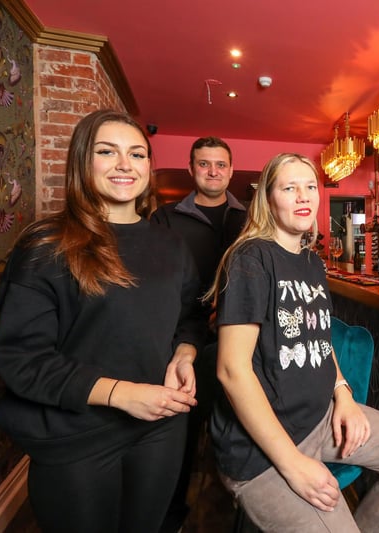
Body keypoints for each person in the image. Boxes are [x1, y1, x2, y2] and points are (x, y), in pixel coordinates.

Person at [207, 153, 379, 532]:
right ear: (268, 199)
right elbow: (231, 370)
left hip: (320, 420)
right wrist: (293, 464)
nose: (303, 196)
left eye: (309, 186)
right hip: (262, 451)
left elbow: (318, 337)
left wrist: (344, 394)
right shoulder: (251, 258)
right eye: (289, 188)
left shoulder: (310, 262)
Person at [0, 109, 203, 533]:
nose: (126, 164)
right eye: (108, 152)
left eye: (137, 154)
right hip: (76, 436)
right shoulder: (47, 244)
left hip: (160, 426)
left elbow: (191, 316)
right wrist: (121, 394)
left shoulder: (171, 245)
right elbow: (20, 358)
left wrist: (185, 353)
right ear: (83, 161)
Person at [150, 136, 247, 531]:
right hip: (182, 336)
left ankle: (237, 505)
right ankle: (172, 514)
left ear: (230, 170)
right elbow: (154, 281)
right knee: (180, 425)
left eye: (220, 164)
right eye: (204, 164)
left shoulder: (250, 217)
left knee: (240, 418)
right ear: (191, 169)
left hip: (239, 334)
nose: (212, 171)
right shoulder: (165, 218)